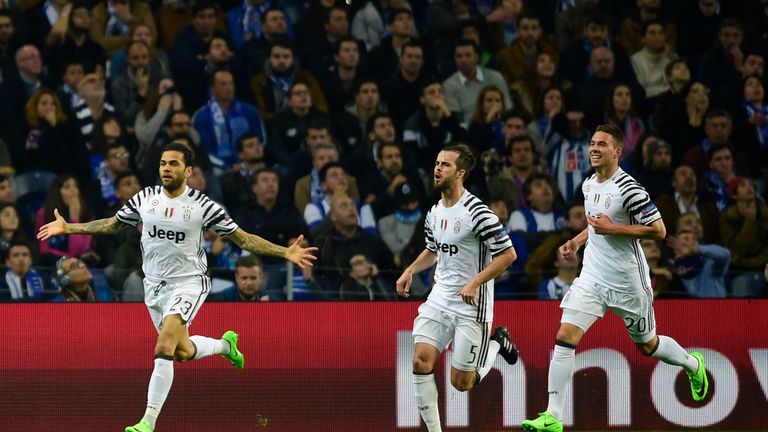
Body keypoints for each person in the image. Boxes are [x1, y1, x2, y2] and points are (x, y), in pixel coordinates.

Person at [37, 142, 317, 432]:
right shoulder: (145, 198)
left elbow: (243, 239)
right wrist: (70, 227)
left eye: (173, 164)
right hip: (154, 286)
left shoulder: (203, 205)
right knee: (181, 352)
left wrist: (284, 252)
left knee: (164, 345)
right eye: (162, 163)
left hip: (189, 283)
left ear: (188, 170)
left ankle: (148, 421)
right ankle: (225, 345)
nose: (166, 169)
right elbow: (112, 225)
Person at [522, 124, 708, 432]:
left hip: (628, 283)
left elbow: (659, 230)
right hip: (592, 277)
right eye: (592, 143)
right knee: (565, 336)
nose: (593, 148)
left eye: (601, 145)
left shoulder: (629, 189)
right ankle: (552, 416)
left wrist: (615, 229)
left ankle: (693, 364)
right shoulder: (589, 185)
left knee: (648, 345)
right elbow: (597, 224)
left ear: (617, 151)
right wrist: (577, 241)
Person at [396, 143, 518, 432]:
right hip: (439, 298)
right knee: (420, 361)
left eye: (445, 165)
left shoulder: (479, 213)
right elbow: (432, 249)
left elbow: (508, 255)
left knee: (461, 383)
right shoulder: (434, 212)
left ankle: (498, 342)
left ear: (460, 173)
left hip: (472, 305)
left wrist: (475, 282)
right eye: (437, 163)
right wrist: (410, 270)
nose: (438, 168)